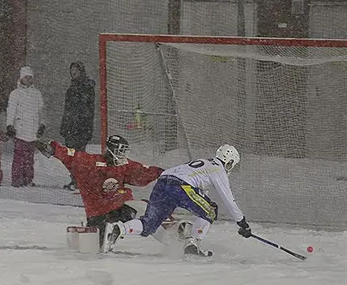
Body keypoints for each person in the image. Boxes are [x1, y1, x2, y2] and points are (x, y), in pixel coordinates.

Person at [103, 144, 252, 256]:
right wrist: (242, 222)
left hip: (162, 183)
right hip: (180, 186)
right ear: (229, 161)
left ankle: (118, 228)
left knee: (149, 224)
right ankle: (192, 244)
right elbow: (228, 199)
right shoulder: (217, 169)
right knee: (211, 210)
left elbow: (200, 195)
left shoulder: (204, 163)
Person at [35, 134, 164, 252]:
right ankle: (171, 236)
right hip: (115, 211)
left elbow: (142, 172)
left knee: (143, 211)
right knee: (146, 208)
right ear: (110, 150)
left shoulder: (122, 165)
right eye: (120, 151)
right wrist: (52, 147)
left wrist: (162, 173)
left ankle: (108, 230)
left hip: (97, 216)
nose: (122, 155)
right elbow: (70, 155)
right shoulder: (90, 162)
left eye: (124, 152)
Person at [6, 66, 46, 187]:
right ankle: (17, 179)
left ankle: (28, 179)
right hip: (20, 129)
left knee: (29, 158)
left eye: (30, 77)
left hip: (32, 130)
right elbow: (11, 110)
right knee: (19, 157)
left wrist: (42, 124)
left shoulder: (37, 94)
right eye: (26, 77)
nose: (28, 79)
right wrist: (9, 125)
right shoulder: (15, 94)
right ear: (21, 78)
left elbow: (41, 110)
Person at [60, 61, 95, 191]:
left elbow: (86, 109)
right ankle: (75, 179)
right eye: (72, 70)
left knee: (79, 156)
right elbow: (68, 109)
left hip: (80, 128)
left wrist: (85, 127)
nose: (73, 72)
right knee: (71, 156)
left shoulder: (86, 87)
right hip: (71, 127)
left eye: (76, 70)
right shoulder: (73, 87)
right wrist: (65, 125)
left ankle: (81, 180)